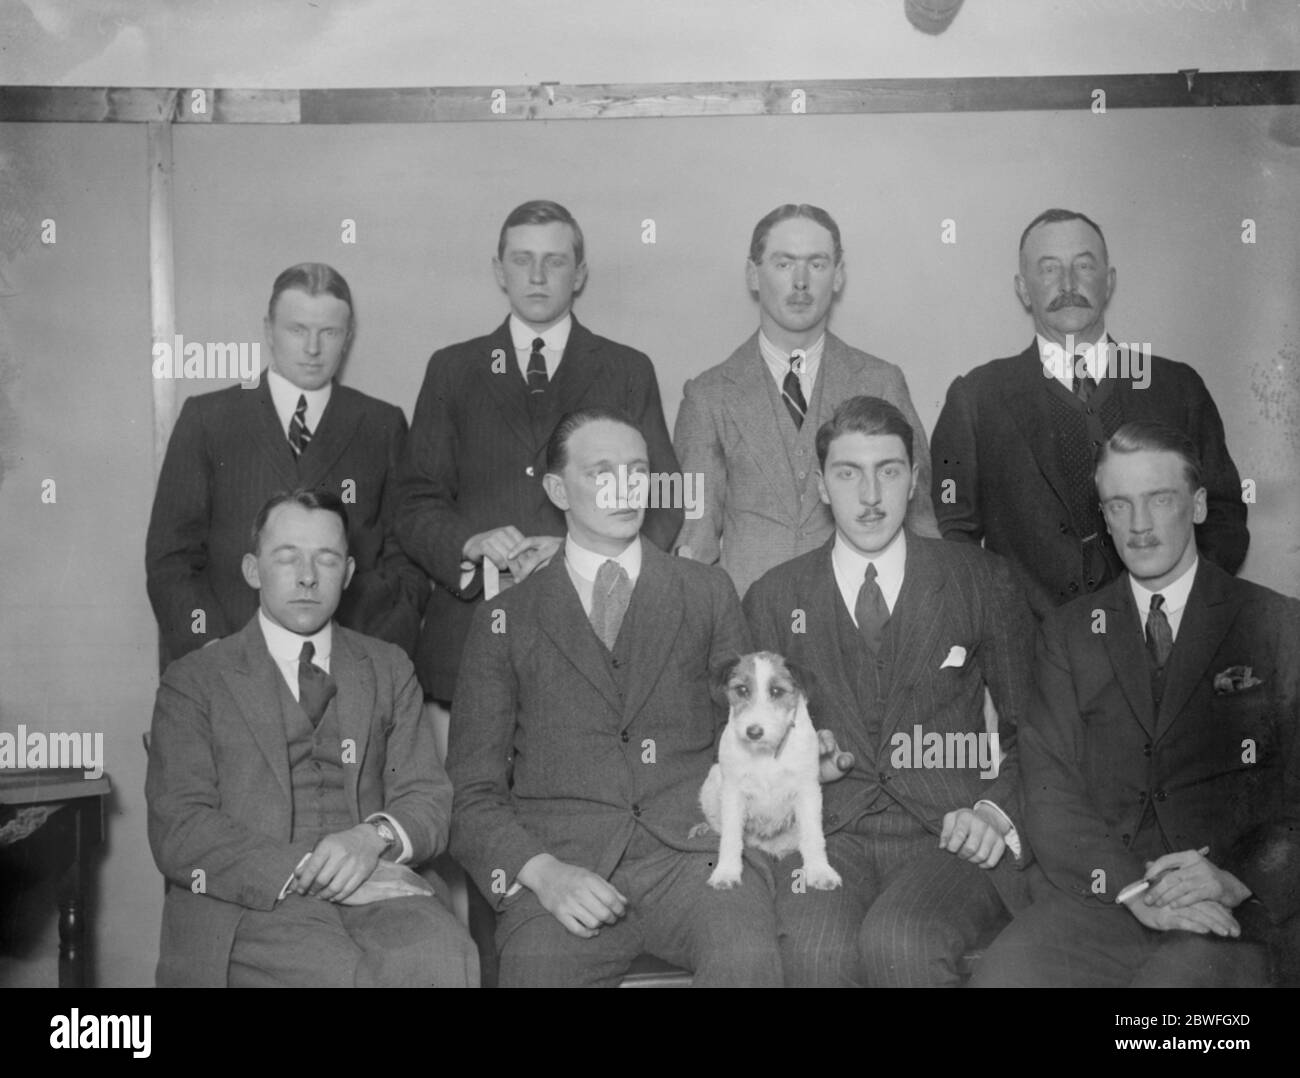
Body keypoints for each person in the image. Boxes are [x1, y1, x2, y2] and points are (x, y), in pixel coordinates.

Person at [448, 408, 784, 987]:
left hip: (693, 856)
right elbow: (471, 794)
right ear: (557, 489)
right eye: (602, 472)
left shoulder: (705, 592)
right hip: (565, 868)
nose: (625, 488)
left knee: (748, 956)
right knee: (536, 973)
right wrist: (544, 874)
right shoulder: (506, 619)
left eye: (637, 471)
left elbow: (749, 741)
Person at [973, 422, 1300, 987]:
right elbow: (1049, 787)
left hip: (1224, 910)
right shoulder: (1069, 633)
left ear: (1198, 505)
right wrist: (1130, 886)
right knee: (1002, 980)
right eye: (1119, 506)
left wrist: (1234, 878)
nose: (1140, 526)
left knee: (1159, 1022)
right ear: (1103, 517)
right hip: (1102, 899)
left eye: (1160, 500)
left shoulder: (1275, 624)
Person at [743, 396, 1035, 986]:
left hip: (950, 832)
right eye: (848, 474)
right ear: (822, 486)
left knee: (900, 943)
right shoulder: (775, 596)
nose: (870, 495)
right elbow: (748, 754)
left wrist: (994, 813)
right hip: (827, 833)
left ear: (914, 480)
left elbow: (1034, 730)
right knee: (813, 951)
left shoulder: (979, 578)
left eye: (889, 471)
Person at [145, 490, 475, 987]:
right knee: (339, 975)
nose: (307, 576)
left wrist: (372, 838)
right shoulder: (194, 680)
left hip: (377, 886)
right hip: (250, 901)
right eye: (287, 557)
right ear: (253, 570)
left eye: (326, 558)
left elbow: (428, 798)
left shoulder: (387, 667)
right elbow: (180, 829)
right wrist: (310, 868)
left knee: (445, 956)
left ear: (346, 573)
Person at [397, 200, 682, 706]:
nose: (536, 275)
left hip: (595, 626)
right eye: (521, 259)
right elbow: (416, 501)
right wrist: (470, 543)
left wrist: (586, 557)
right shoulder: (453, 370)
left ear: (579, 274)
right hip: (470, 630)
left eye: (554, 261)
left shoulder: (626, 369)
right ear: (498, 271)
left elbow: (664, 497)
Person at [931, 208, 1248, 617]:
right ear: (1023, 289)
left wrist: (1177, 610)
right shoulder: (976, 398)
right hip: (1032, 658)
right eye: (1048, 269)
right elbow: (955, 534)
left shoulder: (1176, 386)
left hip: (1163, 647)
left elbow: (1223, 514)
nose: (1067, 284)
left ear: (1109, 282)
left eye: (1083, 265)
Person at [146, 262, 426, 667]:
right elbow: (171, 558)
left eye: (328, 332)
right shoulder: (208, 419)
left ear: (347, 337)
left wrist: (374, 655)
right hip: (228, 665)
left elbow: (406, 561)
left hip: (348, 671)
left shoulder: (381, 424)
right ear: (268, 330)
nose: (312, 348)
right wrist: (209, 648)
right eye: (297, 330)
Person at [674, 203, 938, 599]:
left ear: (838, 275)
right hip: (750, 627)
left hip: (861, 621)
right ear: (753, 274)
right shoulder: (708, 396)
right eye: (783, 264)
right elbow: (694, 539)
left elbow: (920, 524)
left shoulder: (883, 383)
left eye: (816, 264)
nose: (800, 282)